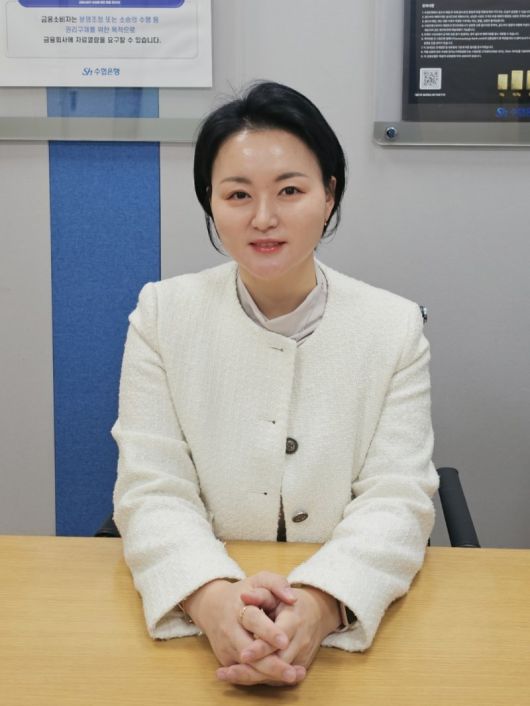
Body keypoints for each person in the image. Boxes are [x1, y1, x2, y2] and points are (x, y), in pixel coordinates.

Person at [111, 80, 439, 687]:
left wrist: (321, 604)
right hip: (203, 603)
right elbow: (152, 486)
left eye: (290, 190)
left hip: (341, 616)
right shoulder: (162, 315)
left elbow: (398, 496)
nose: (263, 218)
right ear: (210, 202)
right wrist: (211, 600)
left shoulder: (392, 326)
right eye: (238, 194)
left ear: (329, 194)